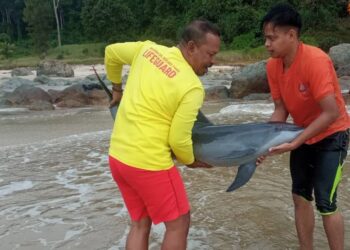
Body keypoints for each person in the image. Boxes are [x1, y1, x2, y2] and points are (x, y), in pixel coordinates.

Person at [105, 20, 220, 249]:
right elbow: (178, 139)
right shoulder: (191, 87)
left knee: (139, 224)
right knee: (179, 224)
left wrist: (117, 89)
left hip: (118, 158)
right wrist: (191, 161)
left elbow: (111, 53)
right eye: (210, 54)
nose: (212, 62)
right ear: (191, 47)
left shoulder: (147, 50)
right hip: (149, 163)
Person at [261, 3, 350, 250]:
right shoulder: (272, 66)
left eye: (272, 38)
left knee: (326, 202)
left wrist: (297, 140)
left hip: (333, 134)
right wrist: (262, 144)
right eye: (265, 38)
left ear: (291, 35)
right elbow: (281, 110)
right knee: (299, 197)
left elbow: (331, 112)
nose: (267, 44)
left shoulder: (316, 61)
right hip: (302, 133)